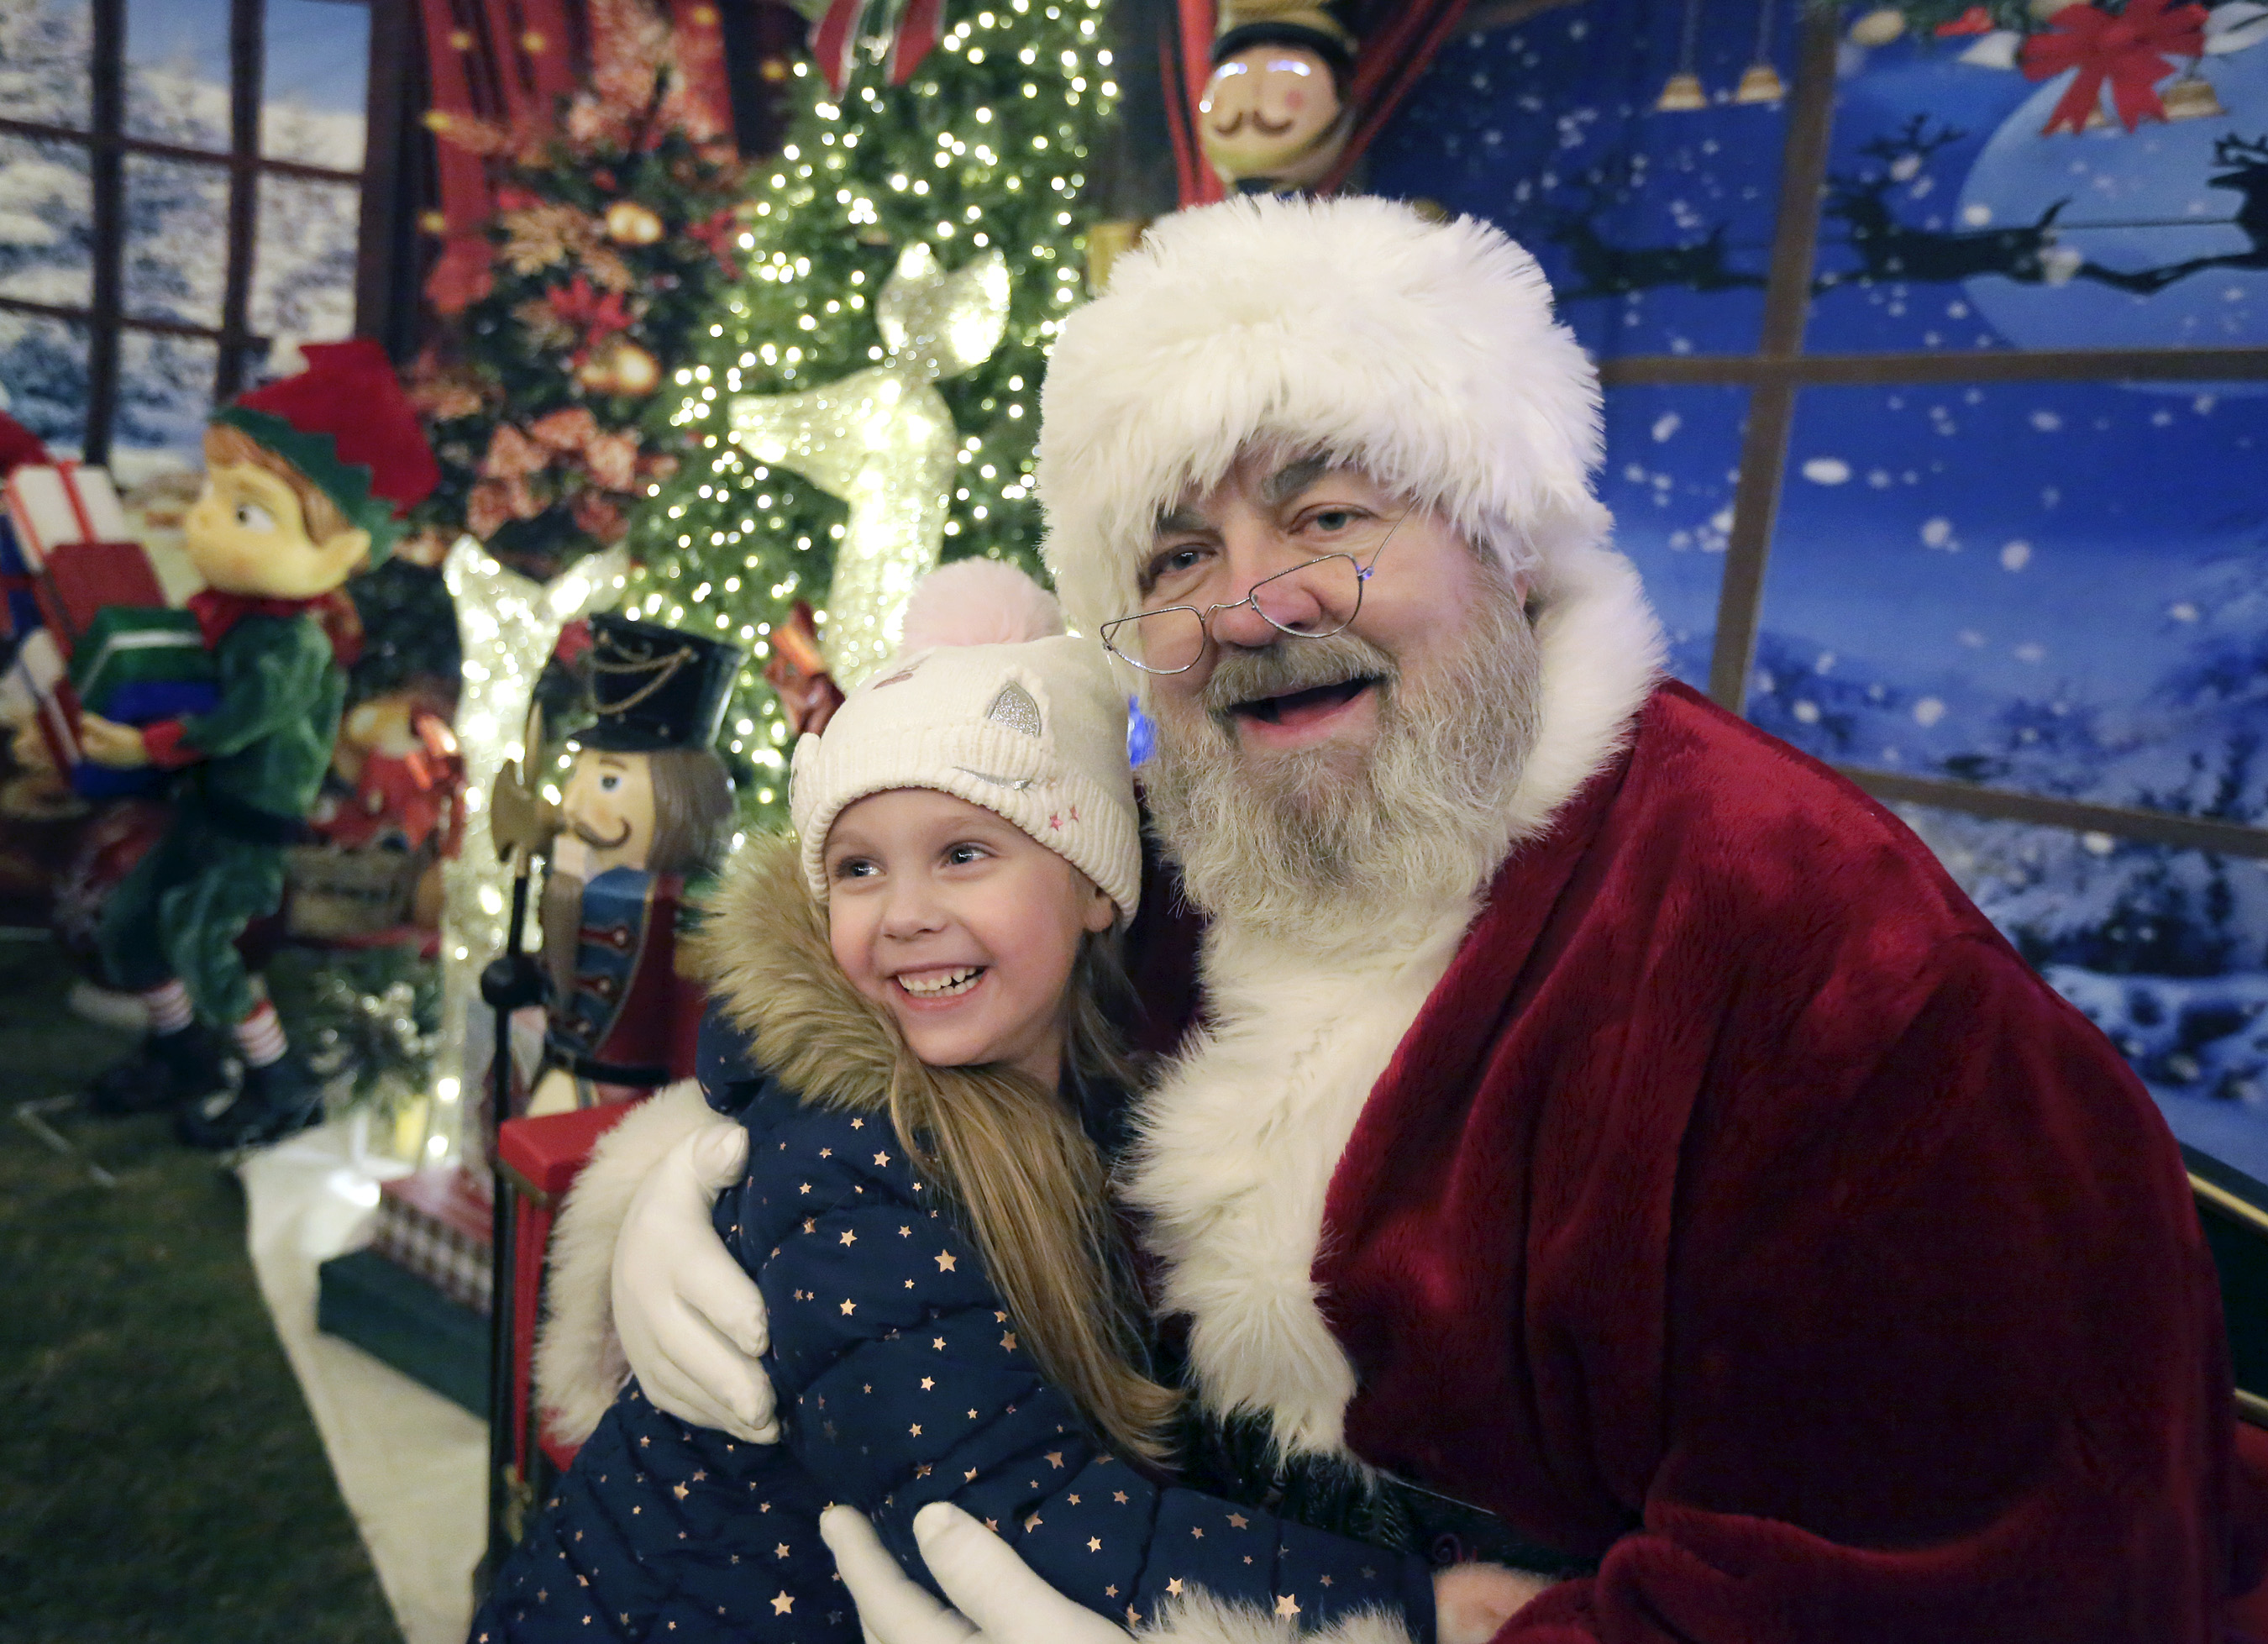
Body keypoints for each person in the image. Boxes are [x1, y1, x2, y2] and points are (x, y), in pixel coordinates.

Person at [545, 196, 2268, 1641]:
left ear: (1502, 544)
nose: (1252, 605)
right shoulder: (1142, 838)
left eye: (1331, 515)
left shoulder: (1823, 967)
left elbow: (1953, 1595)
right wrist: (717, 1152)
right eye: (1173, 557)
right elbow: (895, 945)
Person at [476, 561, 1536, 1644]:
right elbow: (1010, 1511)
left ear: (1090, 884)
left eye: (964, 853)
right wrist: (1404, 1606)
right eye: (855, 869)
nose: (903, 915)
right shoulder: (856, 1158)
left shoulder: (1086, 1094)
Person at [82, 339, 439, 1148]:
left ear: (343, 550)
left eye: (246, 513)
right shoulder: (228, 616)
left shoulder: (289, 643)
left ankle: (280, 1079)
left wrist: (145, 748)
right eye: (215, 497)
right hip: (203, 806)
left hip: (250, 820)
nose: (206, 524)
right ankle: (179, 1049)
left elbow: (235, 720)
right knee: (137, 919)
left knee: (203, 937)